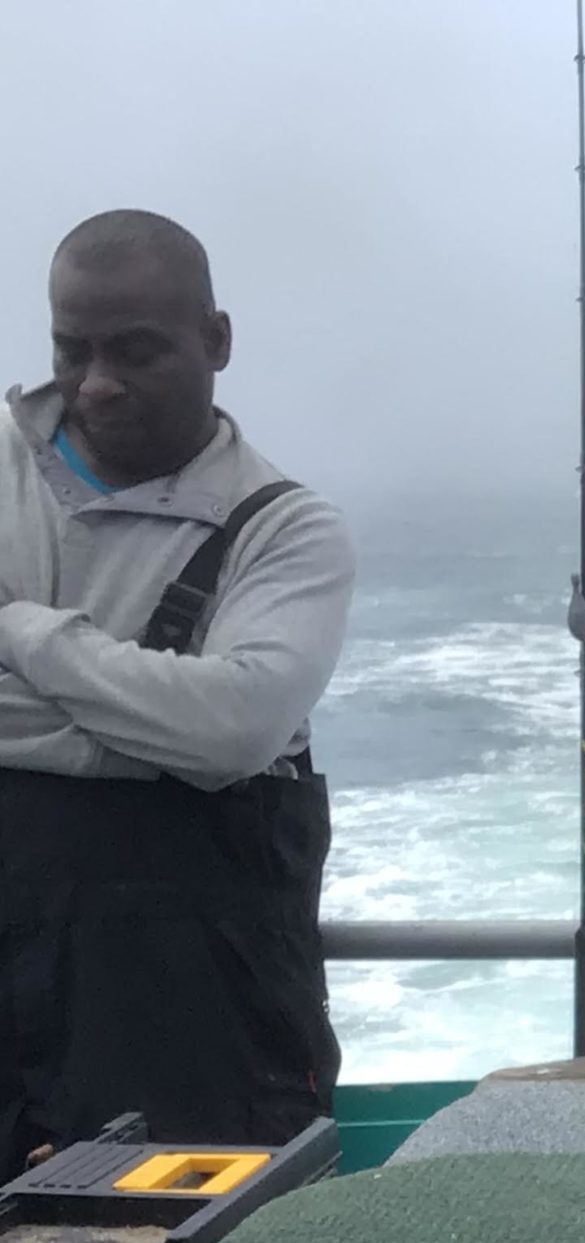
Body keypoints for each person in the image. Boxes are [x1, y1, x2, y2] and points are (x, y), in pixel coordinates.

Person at [0, 210, 351, 1162]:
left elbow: (232, 733)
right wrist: (148, 724)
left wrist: (20, 632)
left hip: (204, 1045)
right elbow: (201, 734)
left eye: (136, 351)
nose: (95, 383)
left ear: (217, 339)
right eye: (72, 349)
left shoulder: (286, 531)